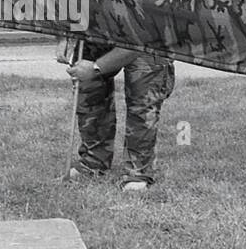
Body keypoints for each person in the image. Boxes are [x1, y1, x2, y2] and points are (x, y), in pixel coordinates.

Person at [65, 40, 175, 190]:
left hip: (146, 40)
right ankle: (93, 162)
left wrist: (96, 67)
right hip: (101, 34)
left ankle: (138, 171)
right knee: (87, 84)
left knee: (142, 104)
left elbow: (138, 41)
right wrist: (63, 38)